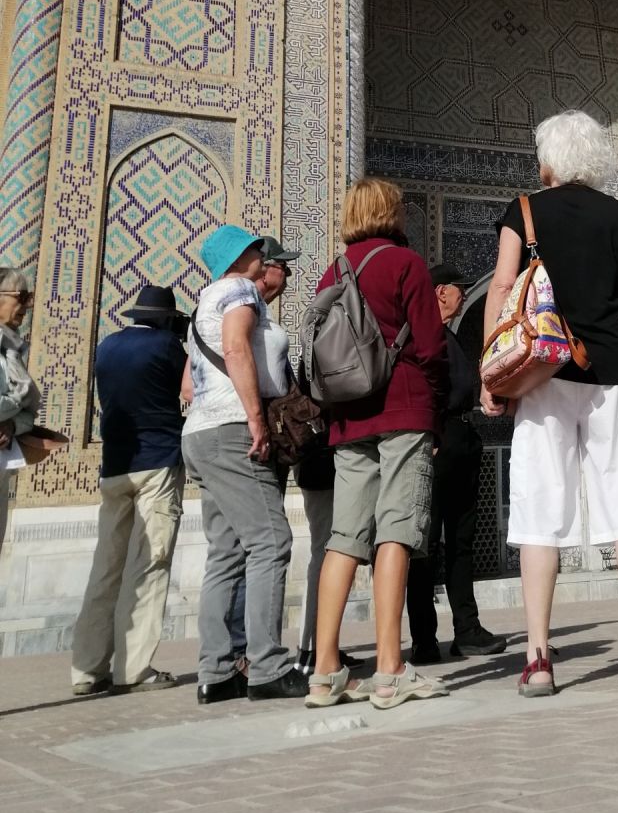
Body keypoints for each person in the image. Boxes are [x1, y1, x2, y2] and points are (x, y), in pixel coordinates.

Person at [482, 111, 618, 694]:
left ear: (549, 161)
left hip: (542, 373)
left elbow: (501, 286)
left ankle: (538, 656)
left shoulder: (526, 210)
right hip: (610, 375)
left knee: (541, 510)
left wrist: (489, 375)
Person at [306, 178, 449, 710]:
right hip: (403, 409)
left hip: (347, 418)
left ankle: (325, 672)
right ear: (392, 213)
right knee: (396, 530)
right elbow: (432, 347)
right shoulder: (406, 264)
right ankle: (390, 669)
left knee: (344, 536)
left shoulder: (333, 270)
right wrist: (432, 408)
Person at [182, 226, 305, 702]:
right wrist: (256, 417)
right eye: (255, 249)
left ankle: (215, 671)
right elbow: (235, 347)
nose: (262, 254)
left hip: (200, 434)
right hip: (233, 431)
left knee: (226, 551)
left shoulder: (203, 302)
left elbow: (190, 385)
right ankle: (268, 667)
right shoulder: (238, 289)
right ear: (241, 256)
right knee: (270, 540)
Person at [70, 285, 188, 696]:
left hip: (114, 468)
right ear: (166, 319)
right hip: (156, 465)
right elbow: (189, 389)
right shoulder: (167, 346)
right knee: (148, 565)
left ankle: (86, 669)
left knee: (106, 569)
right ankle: (134, 669)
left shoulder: (106, 346)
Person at [407, 262, 505, 664]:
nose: (464, 294)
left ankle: (466, 630)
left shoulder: (445, 336)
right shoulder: (421, 337)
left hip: (461, 440)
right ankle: (424, 639)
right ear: (441, 292)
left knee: (461, 542)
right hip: (437, 441)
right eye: (459, 289)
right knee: (425, 546)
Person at [0, 268, 37, 558]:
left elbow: (31, 410)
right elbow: (25, 399)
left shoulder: (12, 351)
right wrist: (18, 400)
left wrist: (12, 425)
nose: (26, 305)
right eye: (21, 296)